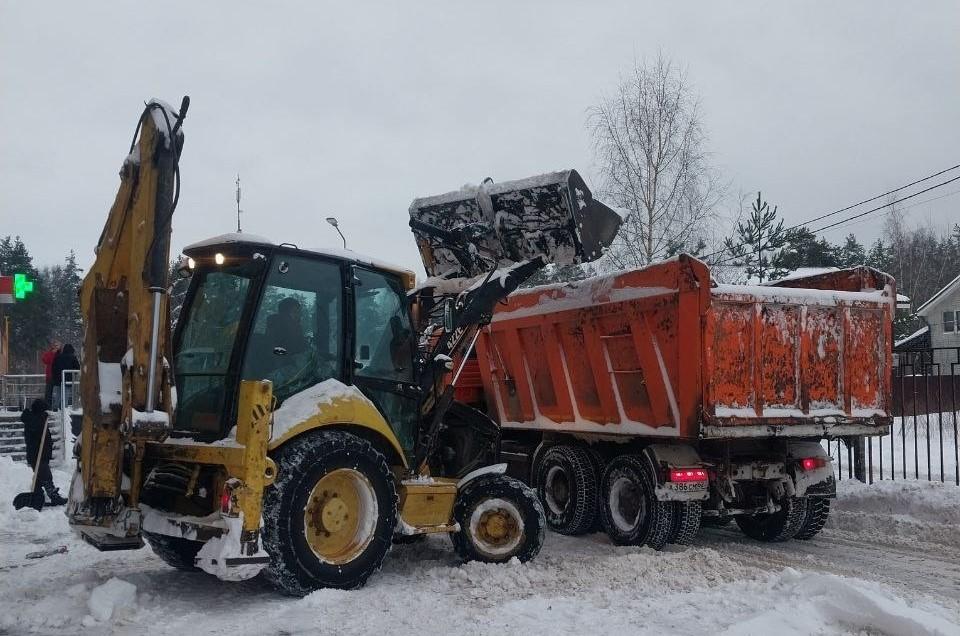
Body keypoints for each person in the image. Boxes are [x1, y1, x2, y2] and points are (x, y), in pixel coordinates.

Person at [21, 398, 67, 506]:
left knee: (39, 477)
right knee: (46, 476)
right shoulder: (32, 420)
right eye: (44, 411)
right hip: (37, 455)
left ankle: (37, 496)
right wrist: (43, 418)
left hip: (42, 455)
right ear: (40, 410)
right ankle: (54, 497)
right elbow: (35, 427)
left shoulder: (37, 419)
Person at [51, 343, 80, 410]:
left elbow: (53, 367)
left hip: (58, 378)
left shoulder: (58, 357)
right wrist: (73, 374)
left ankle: (55, 407)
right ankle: (64, 408)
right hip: (68, 379)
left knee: (58, 393)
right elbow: (77, 368)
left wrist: (55, 376)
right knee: (66, 394)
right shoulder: (73, 357)